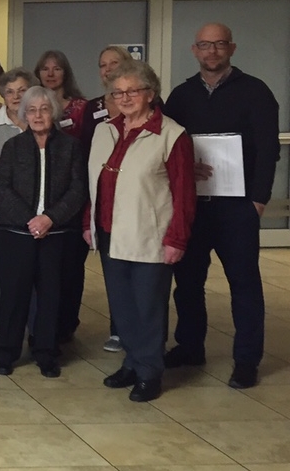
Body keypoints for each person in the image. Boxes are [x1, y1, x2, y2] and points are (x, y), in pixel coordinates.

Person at [164, 23, 281, 390]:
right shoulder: (181, 96)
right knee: (187, 283)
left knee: (244, 286)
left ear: (231, 48)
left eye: (218, 44)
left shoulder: (256, 91)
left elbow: (268, 150)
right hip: (194, 207)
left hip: (238, 208)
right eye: (204, 45)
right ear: (194, 50)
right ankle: (190, 347)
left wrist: (258, 200)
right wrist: (185, 168)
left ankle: (246, 360)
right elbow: (169, 146)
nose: (211, 51)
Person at [88, 60, 195, 402]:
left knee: (148, 308)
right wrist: (88, 222)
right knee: (122, 307)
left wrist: (177, 238)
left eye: (132, 91)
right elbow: (94, 183)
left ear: (150, 93)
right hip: (110, 232)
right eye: (117, 92)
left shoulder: (171, 134)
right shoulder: (105, 130)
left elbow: (184, 192)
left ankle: (150, 372)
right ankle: (132, 362)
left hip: (151, 235)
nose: (124, 97)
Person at [0, 86, 88, 378]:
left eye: (44, 109)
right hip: (17, 235)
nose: (38, 115)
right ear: (24, 115)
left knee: (51, 297)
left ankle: (46, 352)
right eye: (31, 110)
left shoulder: (70, 146)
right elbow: (3, 188)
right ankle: (6, 352)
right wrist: (31, 220)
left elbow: (78, 189)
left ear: (53, 112)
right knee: (13, 296)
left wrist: (50, 219)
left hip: (56, 235)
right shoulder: (13, 147)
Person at [74, 46, 133, 352]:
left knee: (140, 272)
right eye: (103, 64)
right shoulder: (93, 107)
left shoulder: (147, 102)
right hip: (103, 195)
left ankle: (145, 334)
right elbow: (85, 151)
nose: (108, 69)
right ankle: (118, 329)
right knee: (113, 268)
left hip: (136, 196)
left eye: (114, 63)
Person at [0, 67, 38, 331]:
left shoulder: (42, 119)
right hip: (0, 210)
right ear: (1, 94)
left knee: (35, 274)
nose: (16, 97)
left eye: (22, 91)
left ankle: (32, 329)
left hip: (38, 212)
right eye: (10, 91)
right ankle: (1, 328)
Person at [34, 50, 88, 138]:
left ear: (65, 73)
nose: (50, 74)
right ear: (38, 74)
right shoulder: (31, 108)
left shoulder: (82, 107)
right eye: (45, 69)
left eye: (57, 69)